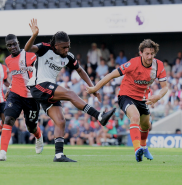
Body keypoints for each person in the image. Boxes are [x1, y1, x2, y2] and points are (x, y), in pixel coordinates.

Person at [24, 19, 115, 162]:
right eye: (64, 47)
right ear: (56, 46)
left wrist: (93, 87)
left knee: (60, 120)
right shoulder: (44, 48)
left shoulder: (68, 57)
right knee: (71, 93)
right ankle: (99, 116)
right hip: (38, 86)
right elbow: (27, 49)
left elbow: (80, 70)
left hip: (49, 89)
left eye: (68, 46)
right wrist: (34, 35)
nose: (67, 50)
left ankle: (59, 155)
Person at [86, 39, 168, 162]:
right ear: (141, 53)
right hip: (126, 95)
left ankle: (144, 147)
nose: (150, 56)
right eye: (147, 53)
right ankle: (137, 149)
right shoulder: (133, 64)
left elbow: (165, 87)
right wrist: (94, 88)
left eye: (152, 53)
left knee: (146, 125)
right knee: (135, 117)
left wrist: (158, 96)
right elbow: (111, 75)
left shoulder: (159, 66)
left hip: (142, 98)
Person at [0, 34, 44, 161]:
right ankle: (3, 153)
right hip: (15, 94)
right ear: (7, 47)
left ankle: (39, 137)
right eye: (9, 45)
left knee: (30, 126)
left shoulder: (30, 54)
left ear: (18, 43)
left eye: (14, 44)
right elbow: (16, 77)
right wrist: (10, 88)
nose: (12, 47)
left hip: (32, 96)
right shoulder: (8, 60)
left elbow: (40, 70)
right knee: (8, 119)